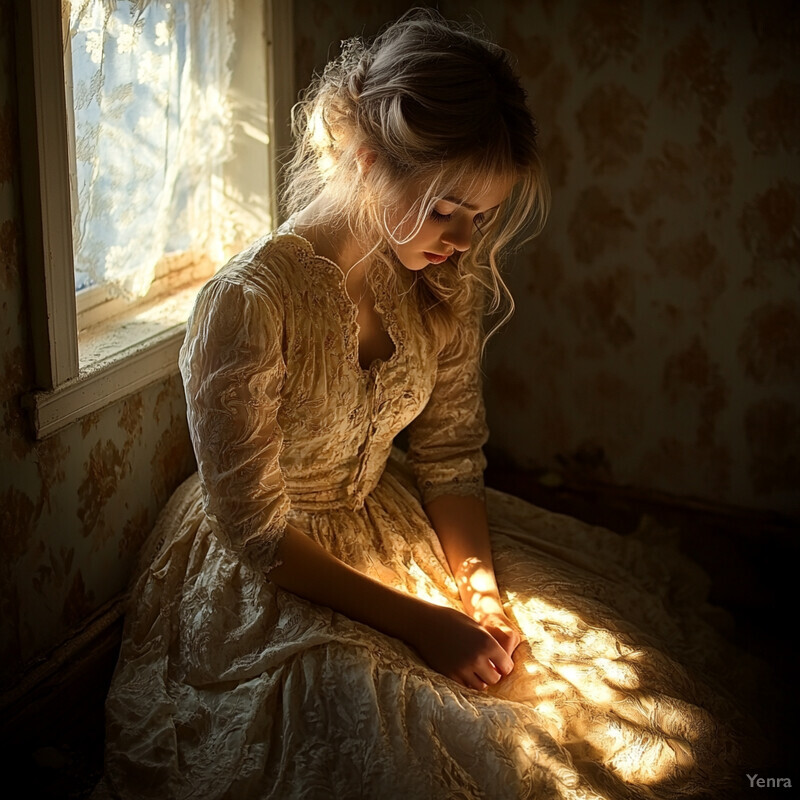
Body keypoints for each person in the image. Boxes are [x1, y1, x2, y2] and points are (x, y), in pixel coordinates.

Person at [94, 9, 752, 800]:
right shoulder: (248, 303)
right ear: (367, 160)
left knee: (578, 677)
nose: (465, 241)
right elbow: (256, 534)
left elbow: (447, 453)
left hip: (389, 509)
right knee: (395, 737)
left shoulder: (439, 277)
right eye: (448, 210)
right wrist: (420, 621)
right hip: (270, 564)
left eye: (482, 217)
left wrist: (478, 594)